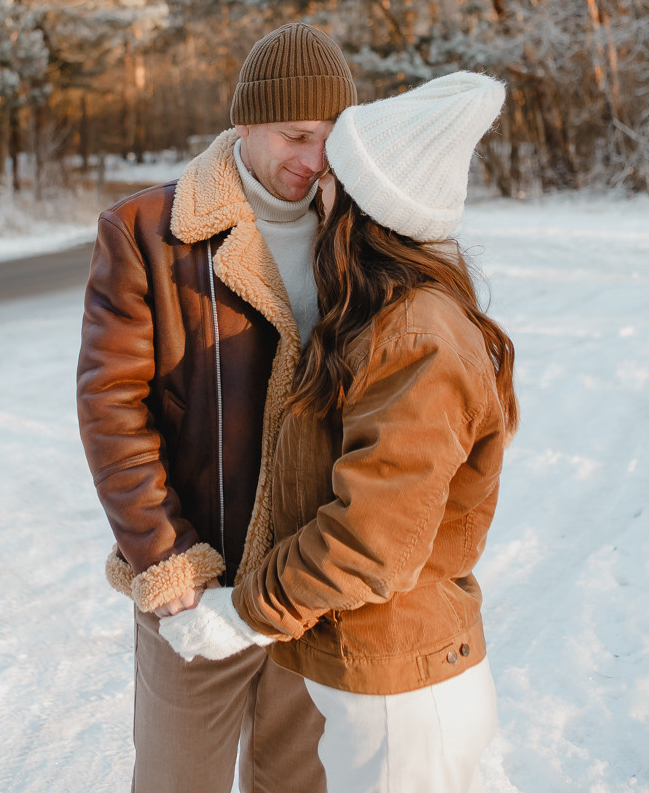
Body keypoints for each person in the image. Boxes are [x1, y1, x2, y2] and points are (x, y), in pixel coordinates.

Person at [159, 71, 519, 793]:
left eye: (331, 180)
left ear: (359, 206)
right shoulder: (376, 320)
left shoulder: (414, 335)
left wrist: (242, 612)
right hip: (382, 681)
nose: (314, 186)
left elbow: (372, 540)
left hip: (400, 699)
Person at [77, 22, 358, 793]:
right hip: (197, 592)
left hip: (310, 590)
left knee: (300, 784)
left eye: (334, 138)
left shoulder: (361, 237)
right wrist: (168, 565)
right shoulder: (148, 233)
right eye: (295, 134)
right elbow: (112, 409)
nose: (314, 159)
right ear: (244, 123)